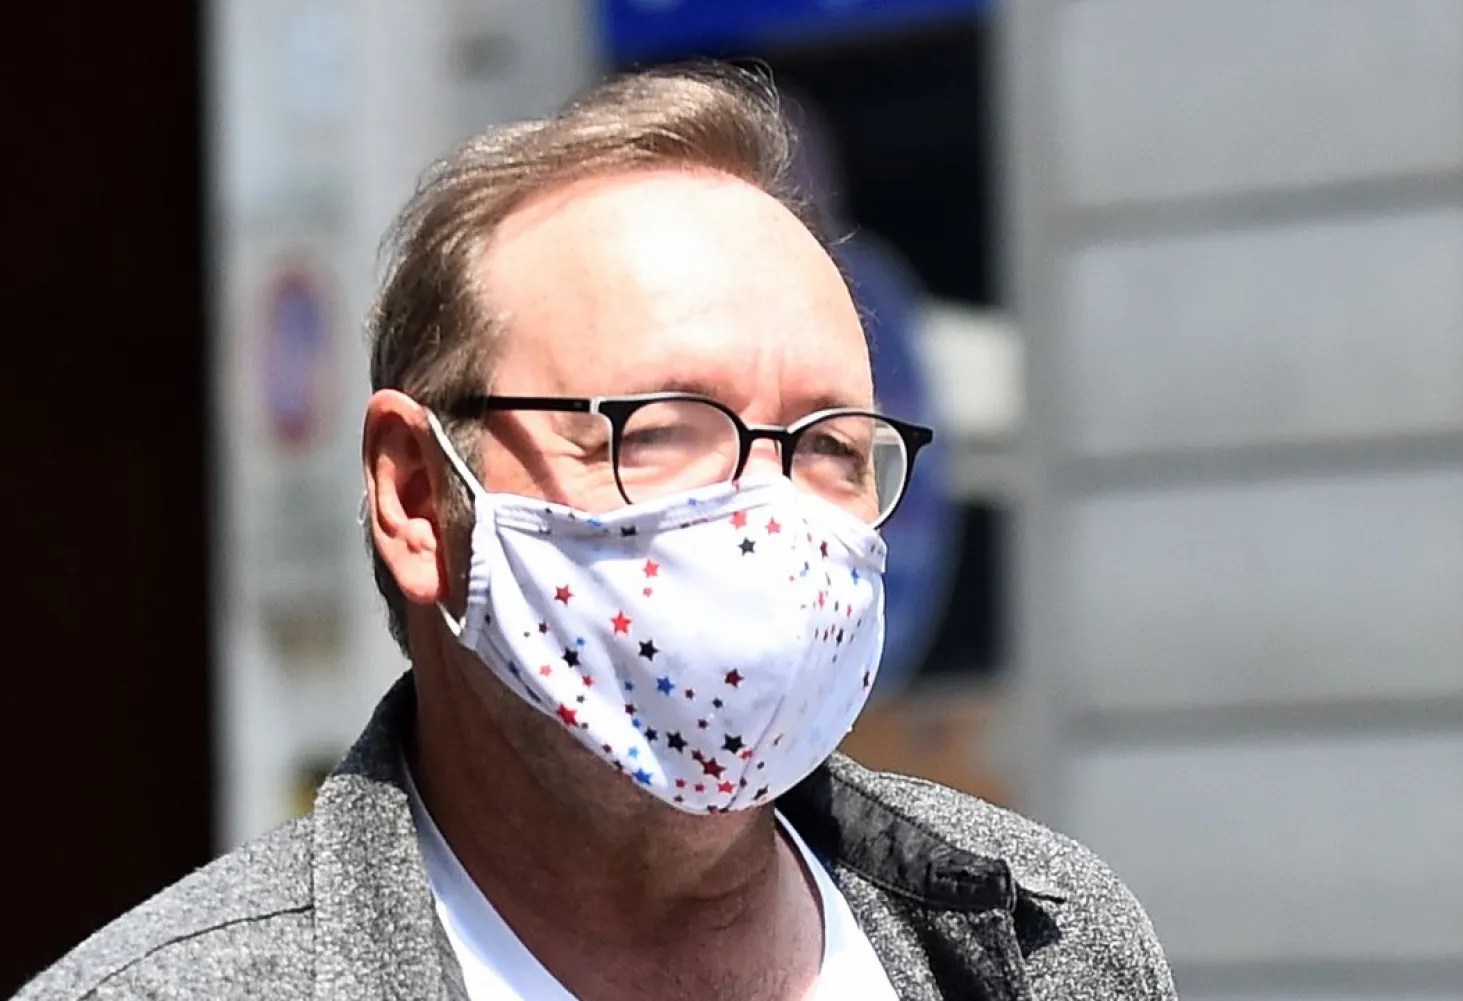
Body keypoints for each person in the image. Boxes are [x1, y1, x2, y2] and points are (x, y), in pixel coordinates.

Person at [15, 65, 1175, 1001]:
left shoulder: (1047, 943)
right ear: (418, 495)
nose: (772, 515)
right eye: (665, 427)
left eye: (829, 442)